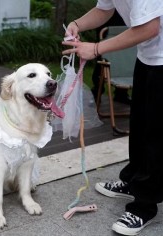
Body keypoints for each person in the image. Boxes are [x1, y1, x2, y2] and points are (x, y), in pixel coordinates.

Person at [62, 1, 163, 235]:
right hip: (148, 57)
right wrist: (77, 24)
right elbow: (104, 9)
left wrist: (96, 48)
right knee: (139, 126)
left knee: (156, 136)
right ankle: (132, 181)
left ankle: (144, 206)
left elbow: (150, 28)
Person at [91, 10, 131, 105]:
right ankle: (97, 92)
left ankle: (121, 94)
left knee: (126, 54)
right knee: (104, 55)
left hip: (126, 17)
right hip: (108, 18)